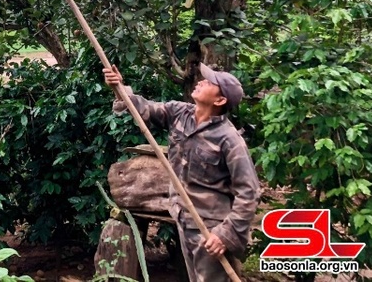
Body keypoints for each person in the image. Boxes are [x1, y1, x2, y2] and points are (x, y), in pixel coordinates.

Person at [103, 63, 259, 282]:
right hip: (184, 217)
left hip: (211, 228)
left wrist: (225, 235)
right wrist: (119, 87)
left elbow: (249, 192)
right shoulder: (180, 113)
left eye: (210, 82)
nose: (201, 81)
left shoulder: (229, 140)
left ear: (220, 100)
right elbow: (142, 108)